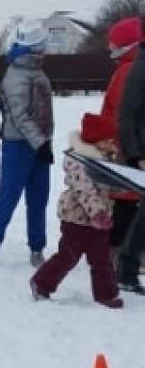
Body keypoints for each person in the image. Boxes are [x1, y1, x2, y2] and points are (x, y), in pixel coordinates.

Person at [0, 24, 54, 274]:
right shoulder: (15, 75)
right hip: (18, 146)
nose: (46, 51)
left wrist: (45, 141)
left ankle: (37, 248)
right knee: (8, 199)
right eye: (42, 46)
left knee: (39, 199)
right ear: (33, 48)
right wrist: (40, 143)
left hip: (40, 144)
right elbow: (19, 116)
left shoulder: (37, 72)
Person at [30, 114, 123, 309]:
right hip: (77, 219)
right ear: (97, 141)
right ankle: (41, 283)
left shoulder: (104, 158)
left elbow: (107, 185)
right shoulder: (78, 161)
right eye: (108, 140)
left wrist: (123, 183)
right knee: (68, 256)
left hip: (100, 219)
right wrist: (98, 213)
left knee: (102, 259)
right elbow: (84, 190)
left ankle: (106, 294)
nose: (112, 143)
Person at [101, 17, 143, 264]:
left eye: (114, 43)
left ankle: (118, 252)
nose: (110, 49)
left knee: (125, 198)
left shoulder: (127, 71)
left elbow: (120, 113)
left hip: (125, 145)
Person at [116, 17, 145, 294]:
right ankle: (126, 268)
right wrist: (135, 155)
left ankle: (126, 268)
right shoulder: (140, 68)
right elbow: (126, 115)